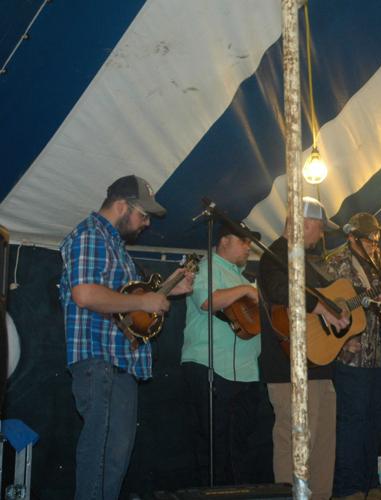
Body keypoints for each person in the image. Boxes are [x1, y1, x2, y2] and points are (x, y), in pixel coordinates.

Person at [59, 175, 194, 499]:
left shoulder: (115, 245)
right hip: (100, 362)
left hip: (117, 364)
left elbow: (127, 304)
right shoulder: (91, 235)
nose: (146, 223)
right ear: (122, 205)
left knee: (112, 462)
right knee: (102, 459)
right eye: (143, 214)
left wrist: (167, 292)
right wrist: (144, 301)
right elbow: (85, 294)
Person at [258, 197, 349, 500]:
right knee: (294, 444)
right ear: (305, 224)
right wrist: (320, 306)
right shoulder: (273, 256)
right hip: (288, 370)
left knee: (323, 447)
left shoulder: (305, 263)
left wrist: (343, 320)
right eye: (320, 229)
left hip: (319, 367)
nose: (321, 236)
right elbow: (279, 291)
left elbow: (332, 299)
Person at [325, 212, 381, 500]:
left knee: (376, 419)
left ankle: (370, 484)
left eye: (376, 239)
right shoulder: (335, 262)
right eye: (367, 240)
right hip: (354, 356)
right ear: (351, 237)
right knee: (353, 422)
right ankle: (348, 488)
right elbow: (328, 304)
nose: (373, 244)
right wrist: (344, 339)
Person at [181, 223, 274, 485]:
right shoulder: (205, 266)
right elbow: (207, 301)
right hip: (210, 367)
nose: (248, 247)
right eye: (243, 241)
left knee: (240, 447)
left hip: (245, 373)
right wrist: (245, 291)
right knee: (213, 446)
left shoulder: (245, 278)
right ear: (224, 240)